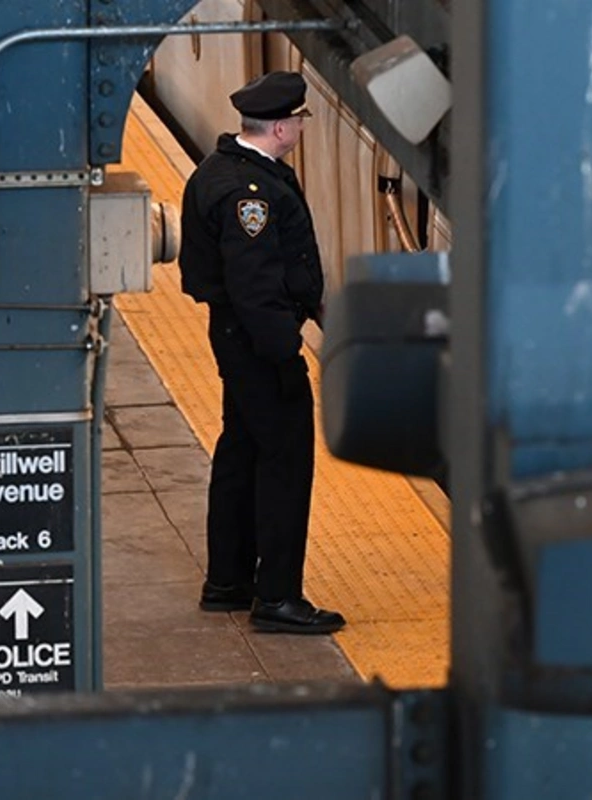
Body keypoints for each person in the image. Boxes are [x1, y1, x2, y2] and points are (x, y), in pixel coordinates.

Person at [177, 71, 345, 635]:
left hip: (234, 338)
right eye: (298, 119)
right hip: (257, 344)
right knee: (284, 465)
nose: (300, 126)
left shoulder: (228, 170)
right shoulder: (250, 194)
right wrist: (285, 351)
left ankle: (227, 581)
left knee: (242, 451)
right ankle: (277, 597)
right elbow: (254, 286)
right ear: (280, 126)